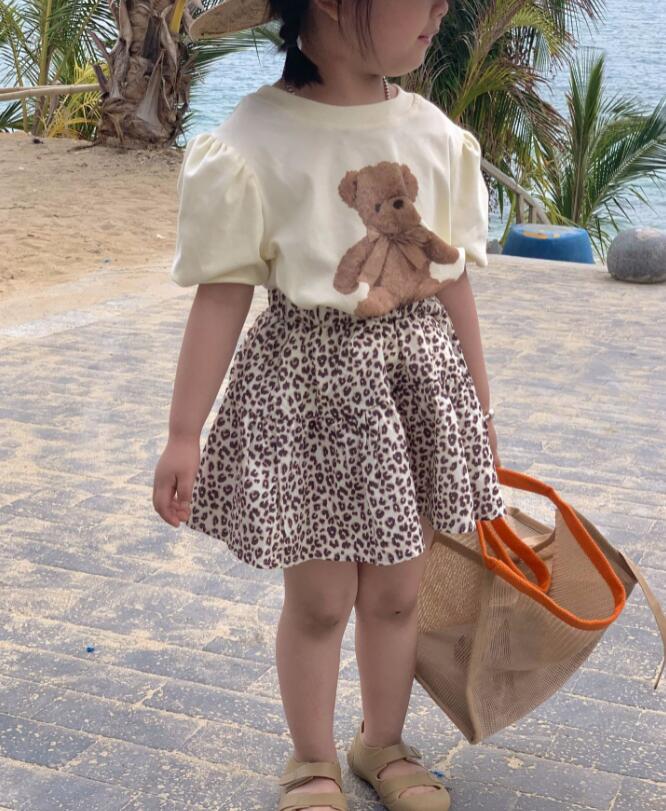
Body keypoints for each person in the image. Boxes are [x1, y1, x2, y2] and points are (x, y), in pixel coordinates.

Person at [153, 1, 506, 809]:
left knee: (398, 591)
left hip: (413, 397)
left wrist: (480, 416)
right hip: (307, 401)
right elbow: (222, 293)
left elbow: (453, 286)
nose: (441, 7)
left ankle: (383, 741)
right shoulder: (255, 138)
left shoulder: (431, 133)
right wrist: (182, 433)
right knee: (319, 600)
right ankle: (312, 759)